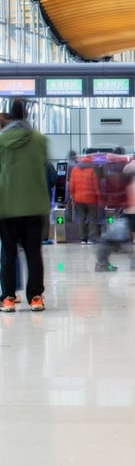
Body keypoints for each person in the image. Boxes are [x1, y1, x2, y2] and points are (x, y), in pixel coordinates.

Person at [0, 99, 50, 312]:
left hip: (7, 205)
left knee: (8, 253)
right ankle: (36, 297)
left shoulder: (1, 140)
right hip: (34, 205)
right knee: (33, 252)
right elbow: (44, 167)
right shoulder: (39, 140)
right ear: (27, 115)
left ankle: (8, 298)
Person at [68, 155, 101, 244]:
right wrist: (99, 197)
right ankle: (91, 238)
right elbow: (95, 185)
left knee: (82, 218)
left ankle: (83, 238)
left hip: (79, 198)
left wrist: (73, 196)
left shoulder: (75, 169)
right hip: (91, 198)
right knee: (92, 218)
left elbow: (72, 185)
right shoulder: (93, 169)